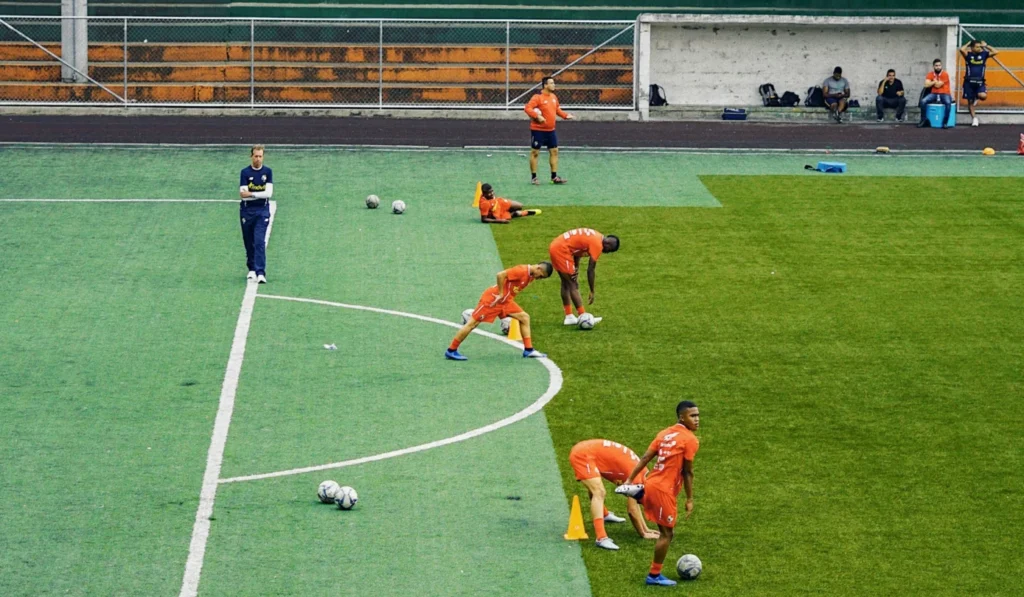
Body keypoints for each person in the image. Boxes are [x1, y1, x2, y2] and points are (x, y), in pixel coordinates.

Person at [616, 401, 701, 587]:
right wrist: (689, 498)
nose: (697, 419)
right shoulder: (690, 440)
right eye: (692, 416)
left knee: (663, 525)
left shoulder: (664, 433)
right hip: (664, 490)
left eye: (697, 415)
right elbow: (687, 472)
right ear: (681, 417)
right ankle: (654, 576)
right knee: (667, 534)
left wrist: (630, 479)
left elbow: (646, 457)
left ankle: (639, 493)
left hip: (651, 482)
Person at [445, 262, 553, 360]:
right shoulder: (521, 270)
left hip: (505, 302)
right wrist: (501, 293)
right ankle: (451, 350)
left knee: (524, 317)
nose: (539, 279)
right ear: (538, 268)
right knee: (472, 323)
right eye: (541, 276)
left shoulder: (531, 275)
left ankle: (528, 350)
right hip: (493, 300)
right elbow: (500, 275)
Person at [569, 439, 661, 551]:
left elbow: (635, 505)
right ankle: (601, 538)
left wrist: (646, 529)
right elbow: (632, 510)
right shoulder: (638, 481)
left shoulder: (642, 474)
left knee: (595, 488)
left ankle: (604, 515)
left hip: (588, 449)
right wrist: (643, 533)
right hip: (583, 455)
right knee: (599, 492)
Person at [548, 228, 619, 326]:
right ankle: (584, 316)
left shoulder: (597, 236)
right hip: (561, 250)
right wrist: (592, 290)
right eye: (609, 250)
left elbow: (577, 249)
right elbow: (591, 269)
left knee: (566, 283)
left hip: (557, 246)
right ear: (608, 245)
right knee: (573, 284)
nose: (606, 252)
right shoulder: (598, 245)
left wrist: (575, 267)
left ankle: (569, 316)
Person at [524, 76, 574, 185]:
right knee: (535, 152)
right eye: (551, 83)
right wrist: (537, 116)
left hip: (551, 131)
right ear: (545, 85)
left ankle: (554, 177)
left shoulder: (553, 97)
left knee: (554, 151)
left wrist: (565, 116)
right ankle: (534, 177)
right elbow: (527, 108)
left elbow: (557, 109)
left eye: (553, 83)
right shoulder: (537, 97)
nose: (554, 85)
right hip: (538, 131)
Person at [239, 144, 273, 283]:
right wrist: (259, 194)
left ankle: (260, 272)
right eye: (256, 156)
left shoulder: (268, 172)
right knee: (249, 241)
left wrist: (251, 193)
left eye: (260, 156)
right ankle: (251, 269)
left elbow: (268, 193)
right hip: (247, 211)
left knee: (259, 241)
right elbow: (242, 195)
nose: (258, 159)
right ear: (251, 156)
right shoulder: (245, 173)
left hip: (262, 211)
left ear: (263, 157)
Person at [960, 40, 998, 127]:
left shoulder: (984, 54)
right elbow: (962, 49)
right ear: (972, 48)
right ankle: (974, 119)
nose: (979, 48)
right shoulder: (968, 55)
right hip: (969, 82)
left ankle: (977, 96)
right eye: (977, 47)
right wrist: (968, 43)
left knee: (983, 96)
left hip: (980, 81)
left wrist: (986, 45)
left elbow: (996, 52)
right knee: (970, 101)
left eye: (980, 47)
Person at [917, 59, 952, 129]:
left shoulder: (945, 74)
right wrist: (934, 82)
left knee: (948, 103)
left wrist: (932, 82)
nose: (938, 67)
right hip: (934, 93)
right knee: (923, 101)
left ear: (941, 66)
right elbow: (926, 85)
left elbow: (938, 85)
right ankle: (923, 120)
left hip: (944, 93)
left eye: (939, 65)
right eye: (936, 66)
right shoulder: (930, 74)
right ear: (933, 66)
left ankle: (945, 122)